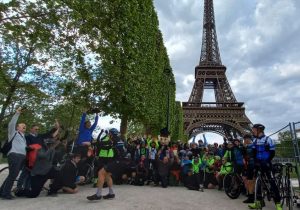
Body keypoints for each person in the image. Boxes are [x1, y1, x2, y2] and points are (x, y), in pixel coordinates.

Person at [248, 124, 282, 210]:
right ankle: (258, 202)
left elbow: (272, 153)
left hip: (266, 163)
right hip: (258, 164)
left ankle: (278, 203)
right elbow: (253, 153)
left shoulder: (268, 140)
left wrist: (267, 161)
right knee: (258, 183)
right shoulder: (254, 140)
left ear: (259, 130)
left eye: (254, 130)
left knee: (271, 182)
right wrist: (255, 162)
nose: (253, 131)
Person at [87, 128, 122, 201]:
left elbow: (104, 146)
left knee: (101, 173)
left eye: (109, 133)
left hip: (115, 161)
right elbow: (105, 146)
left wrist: (95, 143)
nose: (109, 134)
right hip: (117, 161)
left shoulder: (113, 140)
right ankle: (111, 194)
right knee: (107, 175)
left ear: (111, 134)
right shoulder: (118, 139)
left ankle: (98, 195)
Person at [0, 108, 27, 200]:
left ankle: (2, 191)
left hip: (22, 157)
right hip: (14, 155)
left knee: (12, 175)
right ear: (17, 128)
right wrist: (17, 113)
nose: (24, 126)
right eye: (22, 125)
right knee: (13, 175)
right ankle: (6, 193)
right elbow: (11, 124)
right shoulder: (13, 133)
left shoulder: (23, 137)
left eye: (25, 126)